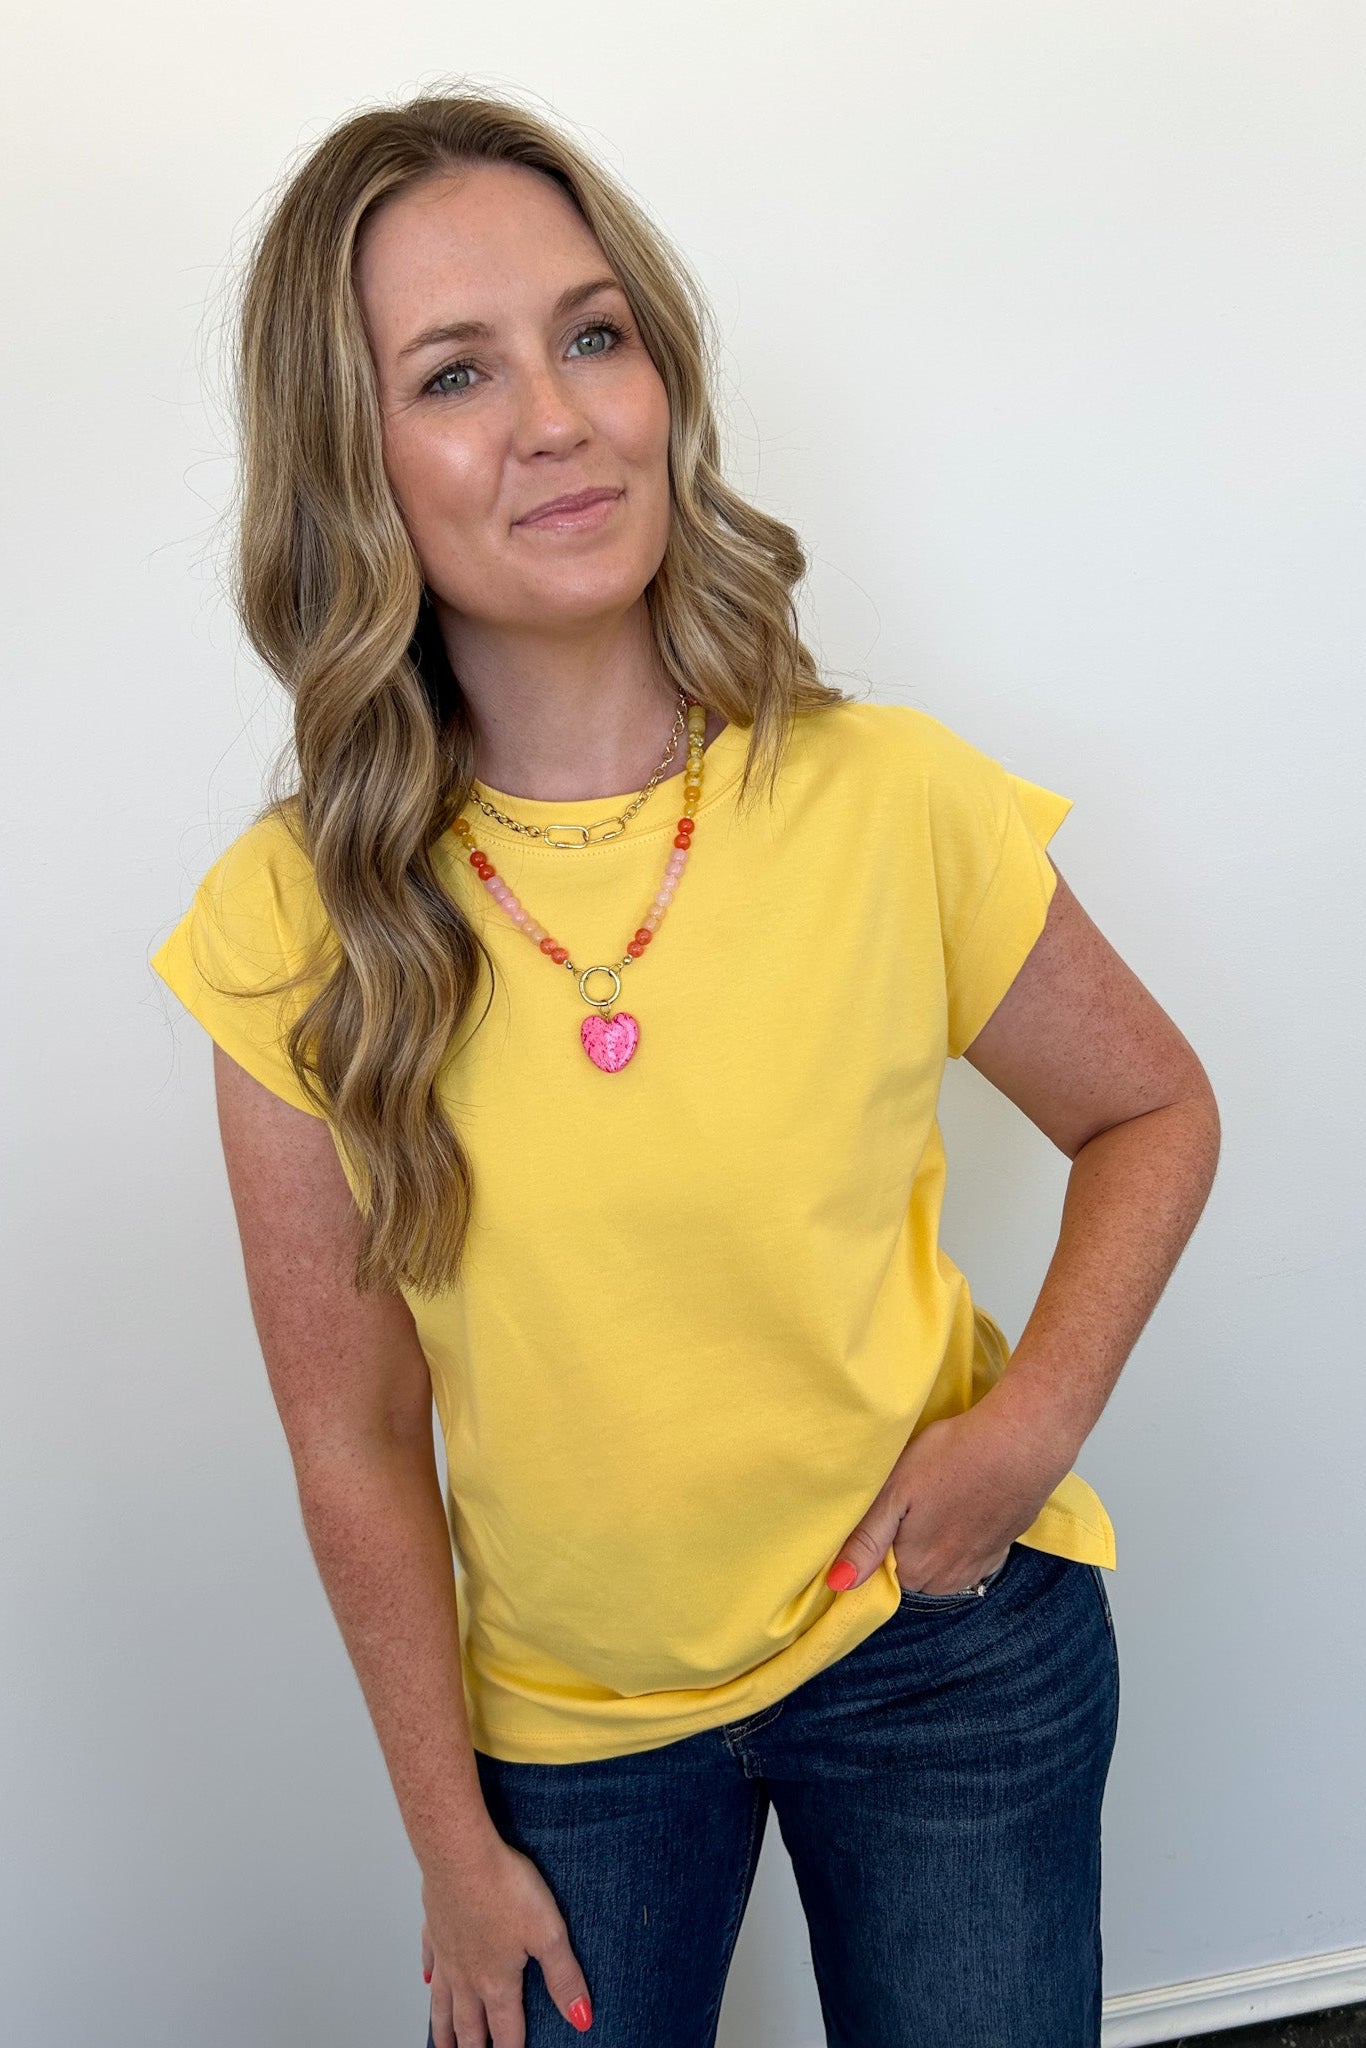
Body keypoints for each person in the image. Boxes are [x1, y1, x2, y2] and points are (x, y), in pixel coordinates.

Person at [149, 86, 1221, 2048]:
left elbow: (1150, 1106)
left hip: (941, 1647)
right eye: (454, 372)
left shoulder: (882, 794)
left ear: (658, 376)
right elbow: (354, 1442)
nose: (555, 416)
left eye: (591, 334)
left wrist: (1025, 1430)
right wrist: (446, 1846)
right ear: (350, 459)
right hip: (567, 1731)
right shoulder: (290, 921)